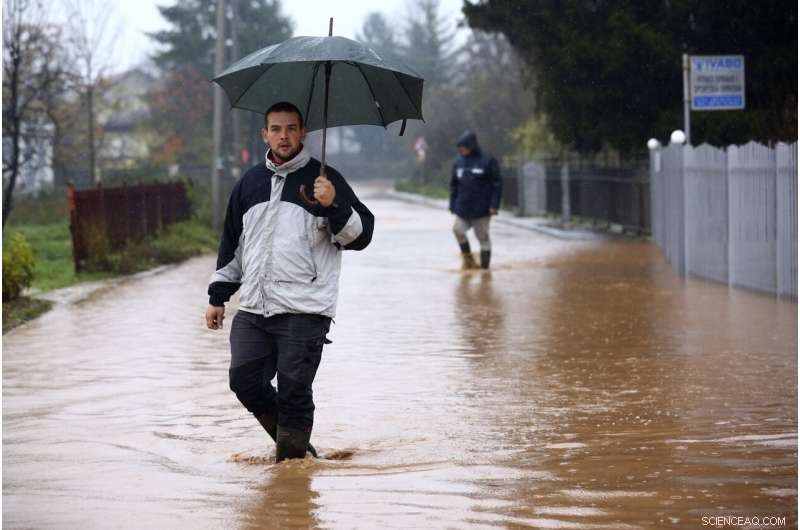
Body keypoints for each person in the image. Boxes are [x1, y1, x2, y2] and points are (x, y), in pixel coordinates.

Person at [205, 101, 374, 462]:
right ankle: (300, 455)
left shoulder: (326, 181)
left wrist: (334, 205)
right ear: (265, 134)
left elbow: (360, 237)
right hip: (254, 305)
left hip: (305, 309)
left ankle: (291, 473)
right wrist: (218, 294)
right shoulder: (249, 183)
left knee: (294, 390)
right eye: (277, 129)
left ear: (303, 133)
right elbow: (232, 244)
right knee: (244, 381)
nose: (284, 136)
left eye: (292, 128)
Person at [449, 130, 502, 269]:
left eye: (464, 147)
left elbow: (497, 184)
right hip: (463, 208)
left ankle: (485, 271)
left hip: (482, 209)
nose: (461, 150)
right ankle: (469, 262)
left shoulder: (488, 160)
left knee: (482, 238)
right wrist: (452, 203)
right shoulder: (458, 162)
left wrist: (494, 205)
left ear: (471, 146)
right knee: (457, 230)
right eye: (460, 148)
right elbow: (454, 184)